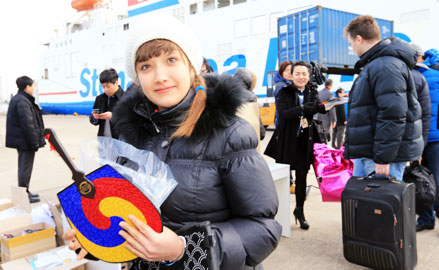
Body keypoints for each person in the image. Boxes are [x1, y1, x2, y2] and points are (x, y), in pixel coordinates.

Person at [65, 15, 281, 269]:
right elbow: (127, 216)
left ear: (192, 66)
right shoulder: (130, 134)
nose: (159, 76)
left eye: (171, 60)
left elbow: (263, 228)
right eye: (146, 66)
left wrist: (184, 248)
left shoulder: (230, 133)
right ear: (137, 77)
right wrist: (96, 240)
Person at [343, 15, 423, 181]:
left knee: (380, 203)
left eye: (351, 44)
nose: (352, 49)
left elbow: (392, 114)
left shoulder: (385, 66)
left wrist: (383, 158)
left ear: (359, 38)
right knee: (366, 203)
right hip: (372, 152)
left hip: (381, 157)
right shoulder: (377, 64)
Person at [265, 61, 326, 230]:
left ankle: (300, 211)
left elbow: (315, 108)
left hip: (305, 140)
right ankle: (278, 213)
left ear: (308, 76)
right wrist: (302, 109)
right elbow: (284, 114)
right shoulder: (284, 92)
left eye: (304, 74)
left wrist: (324, 108)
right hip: (286, 140)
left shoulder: (312, 91)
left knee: (302, 177)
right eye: (297, 74)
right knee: (283, 178)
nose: (301, 77)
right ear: (291, 76)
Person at [415, 48, 439, 238]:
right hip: (417, 138)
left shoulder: (438, 75)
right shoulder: (408, 77)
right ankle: (425, 219)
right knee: (419, 180)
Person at [5, 76, 45, 203]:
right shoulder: (22, 101)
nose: (33, 88)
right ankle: (23, 195)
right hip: (25, 141)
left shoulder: (21, 99)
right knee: (25, 168)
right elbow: (27, 124)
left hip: (22, 140)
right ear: (27, 87)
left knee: (24, 167)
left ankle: (25, 192)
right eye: (32, 86)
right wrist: (34, 142)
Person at [234, 67, 266, 148]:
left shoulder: (227, 92)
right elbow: (256, 119)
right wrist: (262, 133)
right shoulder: (250, 96)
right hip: (247, 140)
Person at [89, 68, 124, 139]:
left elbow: (132, 120)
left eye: (108, 86)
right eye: (103, 86)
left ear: (116, 83)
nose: (105, 89)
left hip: (121, 142)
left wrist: (113, 116)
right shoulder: (99, 99)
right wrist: (95, 117)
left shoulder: (126, 98)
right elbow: (92, 118)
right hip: (103, 142)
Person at [409, 43, 431, 150]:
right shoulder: (419, 77)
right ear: (417, 56)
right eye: (422, 57)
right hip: (414, 138)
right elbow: (425, 113)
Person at [273, 60, 292, 127]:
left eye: (291, 70)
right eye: (286, 70)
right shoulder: (281, 87)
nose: (289, 72)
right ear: (281, 73)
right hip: (285, 125)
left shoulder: (291, 84)